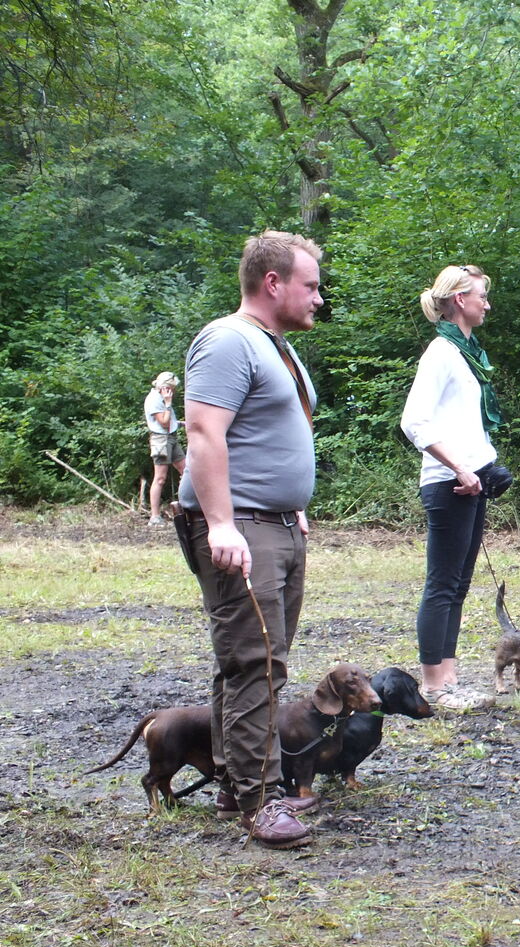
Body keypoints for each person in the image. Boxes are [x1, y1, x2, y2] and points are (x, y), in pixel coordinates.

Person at [178, 230, 325, 849]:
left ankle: (230, 780)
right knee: (256, 663)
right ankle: (262, 801)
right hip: (242, 527)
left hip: (275, 524)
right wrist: (221, 523)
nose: (319, 298)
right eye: (311, 285)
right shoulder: (228, 340)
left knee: (247, 659)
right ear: (273, 283)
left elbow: (266, 437)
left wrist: (290, 507)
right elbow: (205, 433)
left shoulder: (275, 347)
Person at [401, 264, 502, 712]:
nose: (487, 303)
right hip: (448, 484)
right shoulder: (441, 352)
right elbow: (414, 422)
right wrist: (459, 467)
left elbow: (462, 424)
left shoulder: (466, 353)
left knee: (459, 583)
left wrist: (483, 466)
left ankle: (451, 676)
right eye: (482, 295)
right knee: (442, 583)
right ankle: (433, 685)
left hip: (470, 479)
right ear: (460, 299)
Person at [144, 372, 186, 525]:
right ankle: (154, 517)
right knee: (160, 478)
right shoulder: (154, 399)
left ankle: (187, 508)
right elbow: (163, 422)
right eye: (171, 388)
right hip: (161, 440)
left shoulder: (162, 397)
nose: (173, 392)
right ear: (164, 387)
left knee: (187, 471)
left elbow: (170, 421)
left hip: (172, 438)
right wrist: (168, 403)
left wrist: (181, 423)